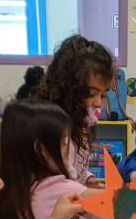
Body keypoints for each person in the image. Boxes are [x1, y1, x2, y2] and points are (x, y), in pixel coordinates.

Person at [0, 99, 97, 219]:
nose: (69, 151)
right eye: (64, 143)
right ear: (41, 150)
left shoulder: (8, 189)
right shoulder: (58, 187)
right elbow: (112, 201)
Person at [34, 35, 116, 187]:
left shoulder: (83, 118)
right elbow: (58, 181)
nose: (98, 103)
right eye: (92, 93)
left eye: (103, 95)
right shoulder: (52, 125)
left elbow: (76, 167)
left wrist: (88, 179)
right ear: (69, 88)